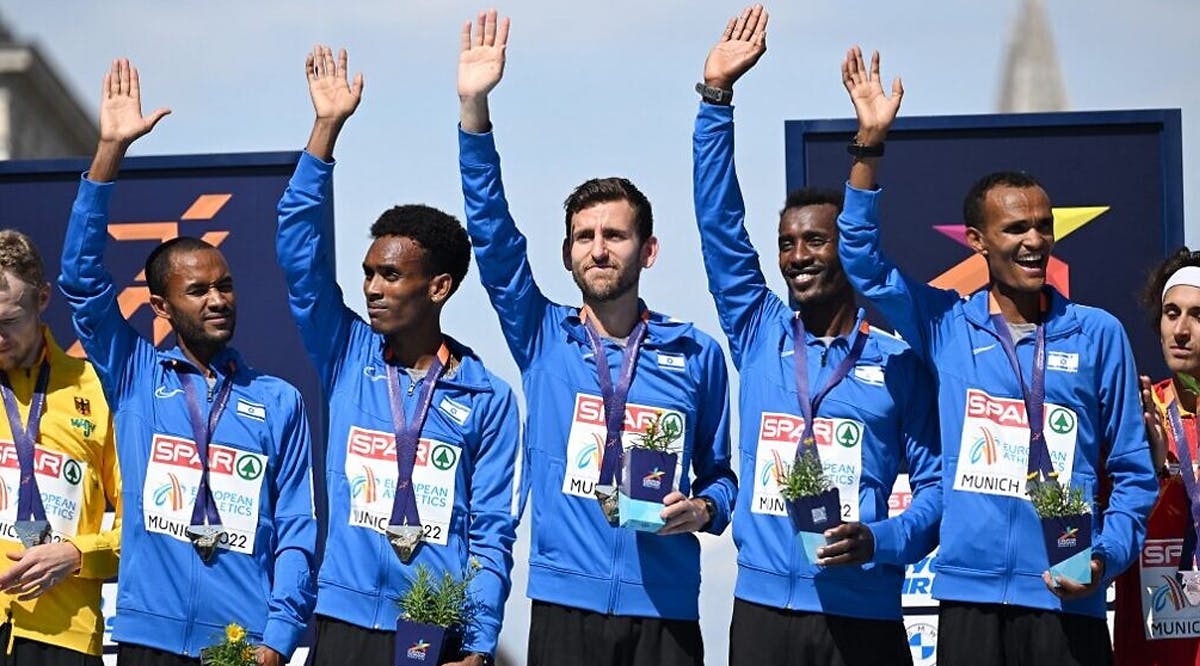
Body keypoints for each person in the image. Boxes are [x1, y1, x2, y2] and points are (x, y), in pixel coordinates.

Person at [834, 45, 1158, 665]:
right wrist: (868, 146)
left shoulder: (1098, 333)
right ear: (979, 241)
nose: (1034, 240)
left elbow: (1135, 475)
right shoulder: (944, 324)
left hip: (1068, 597)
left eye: (1044, 226)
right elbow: (863, 265)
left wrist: (1104, 556)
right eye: (1016, 229)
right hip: (969, 602)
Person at [457, 10, 737, 666]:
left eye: (615, 235)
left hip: (665, 609)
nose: (599, 248)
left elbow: (724, 476)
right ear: (566, 254)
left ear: (649, 250)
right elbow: (493, 236)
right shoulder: (542, 336)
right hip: (565, 606)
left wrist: (702, 509)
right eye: (585, 236)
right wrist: (475, 111)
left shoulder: (696, 354)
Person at [691, 7, 941, 664]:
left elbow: (939, 488)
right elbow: (720, 228)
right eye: (786, 245)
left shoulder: (897, 362)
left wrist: (882, 541)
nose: (797, 256)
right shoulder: (757, 330)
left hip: (865, 616)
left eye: (815, 241)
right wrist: (716, 98)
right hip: (764, 611)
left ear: (846, 252)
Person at [58, 59, 316, 666]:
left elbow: (298, 529)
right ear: (161, 306)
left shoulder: (278, 400)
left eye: (224, 285)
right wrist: (108, 153)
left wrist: (278, 640)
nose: (218, 298)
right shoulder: (134, 375)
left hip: (241, 644)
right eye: (198, 290)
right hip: (148, 640)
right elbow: (80, 279)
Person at [274, 45, 519, 666]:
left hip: (430, 628)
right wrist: (325, 131)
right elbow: (299, 256)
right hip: (342, 619)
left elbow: (491, 533)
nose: (372, 288)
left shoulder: (488, 399)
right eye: (368, 274)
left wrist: (483, 639)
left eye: (390, 275)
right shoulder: (347, 352)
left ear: (438, 287)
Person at [0, 230, 118, 666]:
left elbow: (144, 525)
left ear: (43, 298)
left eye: (9, 322)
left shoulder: (96, 389)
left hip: (63, 638)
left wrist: (77, 554)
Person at [1113, 248, 1200, 665]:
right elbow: (1087, 531)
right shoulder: (1136, 415)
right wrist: (1148, 470)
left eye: (1199, 315)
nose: (1181, 330)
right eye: (1171, 312)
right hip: (1149, 645)